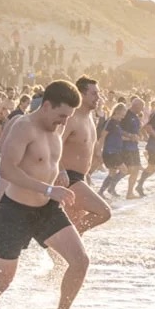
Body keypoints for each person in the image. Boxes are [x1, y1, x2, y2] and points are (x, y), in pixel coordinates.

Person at [0, 80, 88, 309]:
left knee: (80, 261)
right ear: (46, 106)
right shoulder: (23, 127)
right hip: (15, 213)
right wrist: (47, 189)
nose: (63, 122)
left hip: (47, 210)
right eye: (60, 115)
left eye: (68, 117)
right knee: (1, 281)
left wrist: (61, 171)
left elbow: (51, 157)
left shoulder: (59, 125)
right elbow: (7, 170)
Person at [59, 76, 111, 232]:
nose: (98, 98)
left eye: (99, 93)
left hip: (80, 178)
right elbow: (54, 146)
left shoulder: (89, 118)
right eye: (94, 94)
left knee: (72, 224)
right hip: (67, 177)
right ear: (81, 95)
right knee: (104, 212)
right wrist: (60, 171)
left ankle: (63, 248)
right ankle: (67, 239)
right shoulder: (71, 118)